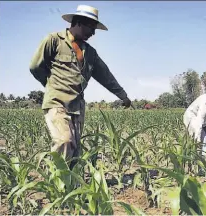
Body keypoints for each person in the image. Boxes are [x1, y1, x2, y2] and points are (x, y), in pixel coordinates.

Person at [29, 5, 132, 169]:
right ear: (78, 22)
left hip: (77, 105)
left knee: (75, 150)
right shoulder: (54, 40)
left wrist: (123, 96)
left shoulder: (90, 52)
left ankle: (71, 187)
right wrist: (51, 86)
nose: (93, 33)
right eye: (92, 27)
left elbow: (106, 76)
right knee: (64, 141)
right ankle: (57, 182)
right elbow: (36, 66)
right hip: (57, 102)